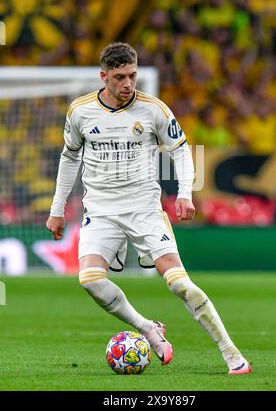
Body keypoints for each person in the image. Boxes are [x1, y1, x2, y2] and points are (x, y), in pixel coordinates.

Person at [46, 42, 251, 374]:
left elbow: (181, 151)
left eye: (132, 75)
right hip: (100, 211)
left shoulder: (153, 109)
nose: (128, 84)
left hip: (144, 209)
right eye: (119, 77)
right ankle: (149, 329)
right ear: (104, 76)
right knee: (90, 280)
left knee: (180, 284)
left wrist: (185, 193)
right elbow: (69, 158)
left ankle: (231, 353)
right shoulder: (80, 111)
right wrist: (57, 209)